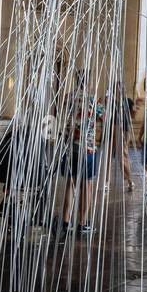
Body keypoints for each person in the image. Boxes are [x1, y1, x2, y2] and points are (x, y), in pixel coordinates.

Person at [61, 76, 104, 234]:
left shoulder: (68, 98)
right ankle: (83, 222)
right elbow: (104, 118)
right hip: (88, 149)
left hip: (71, 146)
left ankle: (66, 221)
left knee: (70, 184)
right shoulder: (93, 100)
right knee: (87, 185)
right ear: (88, 83)